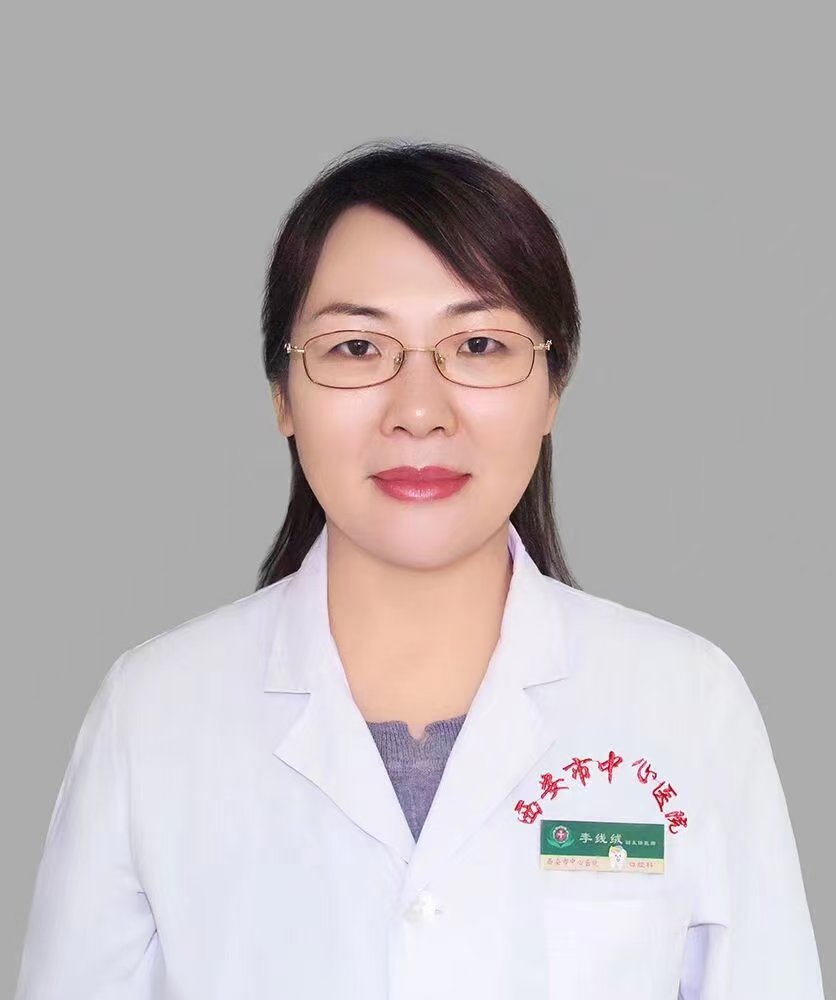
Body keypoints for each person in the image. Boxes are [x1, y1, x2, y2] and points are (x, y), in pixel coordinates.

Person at [14, 140, 824, 999]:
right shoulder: (154, 712)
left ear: (552, 389)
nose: (419, 411)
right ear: (283, 394)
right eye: (356, 348)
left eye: (478, 344)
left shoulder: (687, 703)